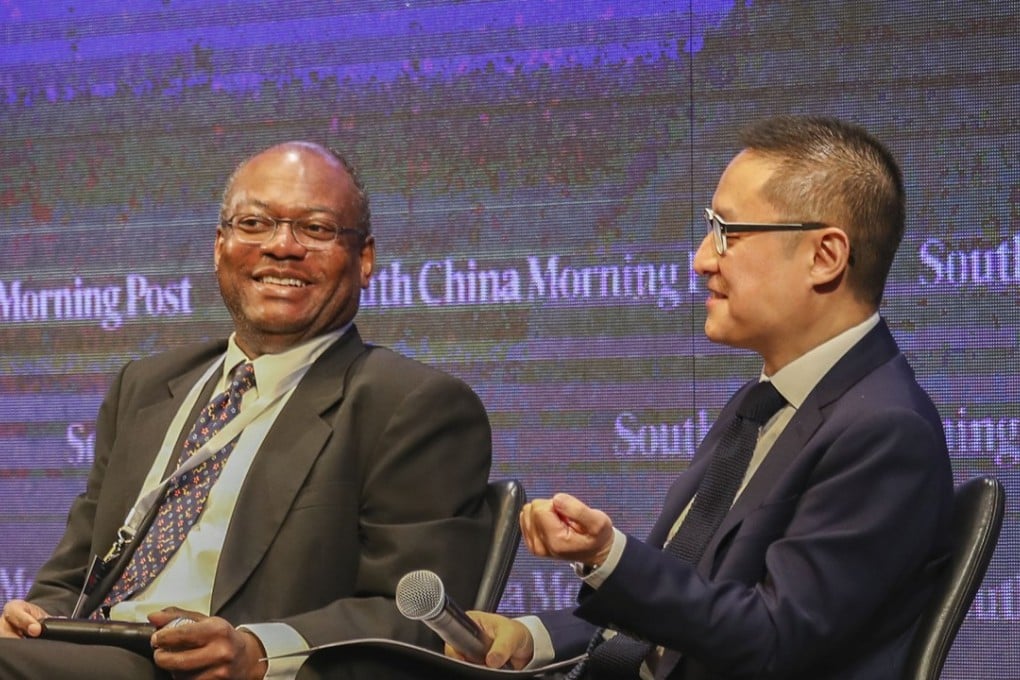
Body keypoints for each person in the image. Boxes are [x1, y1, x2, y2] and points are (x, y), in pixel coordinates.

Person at [447, 116, 954, 679]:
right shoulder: (760, 404)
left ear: (825, 256)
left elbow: (771, 638)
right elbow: (682, 612)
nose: (702, 259)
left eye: (727, 234)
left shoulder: (883, 429)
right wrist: (530, 636)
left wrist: (608, 556)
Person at [0, 141, 494, 680]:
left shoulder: (412, 406)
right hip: (80, 654)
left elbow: (419, 616)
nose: (282, 247)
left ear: (365, 259)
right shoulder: (146, 385)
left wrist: (259, 650)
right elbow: (75, 569)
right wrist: (37, 615)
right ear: (220, 246)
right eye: (255, 224)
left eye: (317, 229)